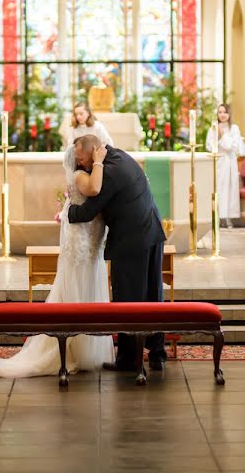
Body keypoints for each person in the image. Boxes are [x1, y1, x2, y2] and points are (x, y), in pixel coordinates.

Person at [0, 143, 114, 378]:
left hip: (89, 238)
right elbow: (94, 190)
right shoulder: (80, 175)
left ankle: (89, 348)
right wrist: (99, 162)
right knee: (78, 288)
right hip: (80, 242)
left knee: (88, 286)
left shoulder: (85, 172)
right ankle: (76, 349)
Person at [68, 134, 168, 371]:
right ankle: (157, 354)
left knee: (127, 300)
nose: (80, 164)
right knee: (154, 297)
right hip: (152, 232)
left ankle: (128, 360)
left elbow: (89, 211)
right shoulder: (120, 156)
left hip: (132, 241)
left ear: (93, 153)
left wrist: (67, 213)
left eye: (81, 159)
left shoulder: (108, 173)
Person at [206, 103, 244, 226]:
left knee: (229, 190)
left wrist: (222, 136)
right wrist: (217, 140)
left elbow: (233, 147)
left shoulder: (234, 128)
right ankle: (216, 217)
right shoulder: (212, 128)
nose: (222, 115)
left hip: (229, 162)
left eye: (225, 112)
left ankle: (228, 218)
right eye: (220, 112)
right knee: (217, 189)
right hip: (217, 162)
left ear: (229, 114)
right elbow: (209, 146)